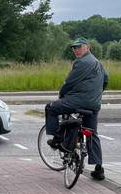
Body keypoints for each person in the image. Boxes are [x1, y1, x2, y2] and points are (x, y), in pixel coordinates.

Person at [45, 37, 109, 180]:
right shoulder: (98, 63)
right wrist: (96, 95)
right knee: (92, 133)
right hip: (94, 104)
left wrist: (61, 95)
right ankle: (99, 169)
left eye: (79, 47)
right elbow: (106, 80)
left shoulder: (81, 62)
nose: (76, 50)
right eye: (74, 48)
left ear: (88, 47)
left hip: (78, 101)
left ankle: (57, 139)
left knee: (51, 108)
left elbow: (70, 82)